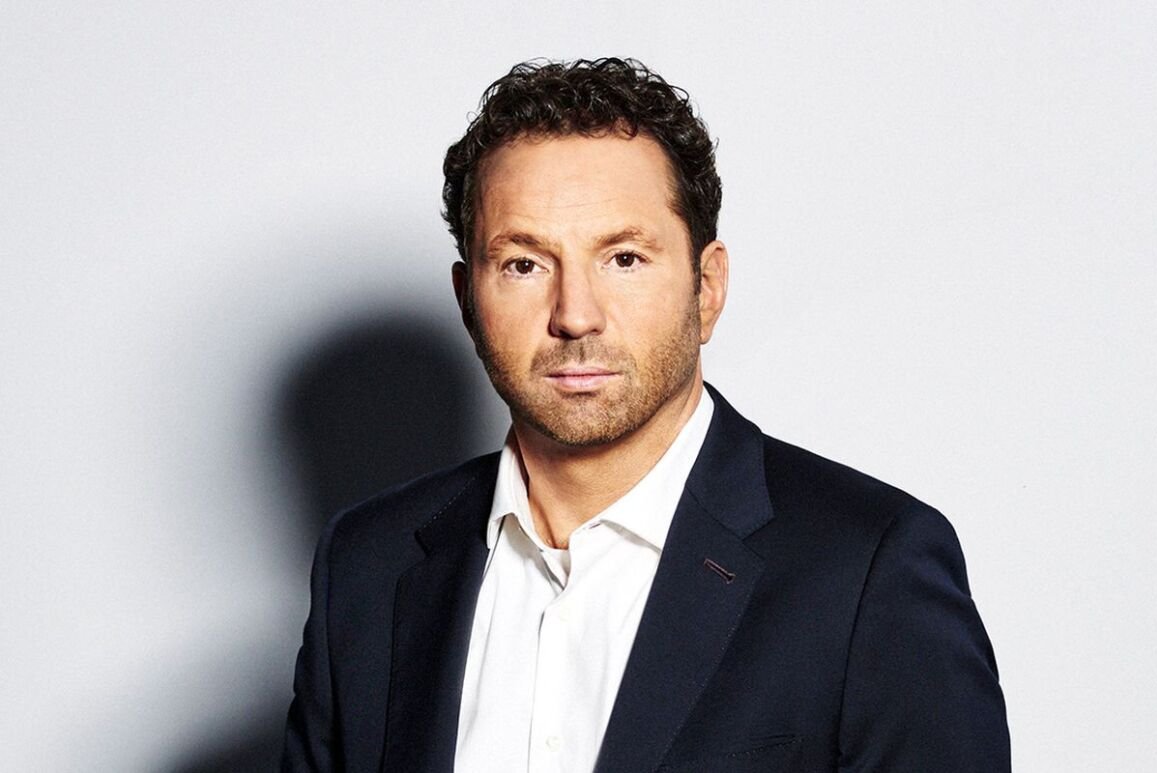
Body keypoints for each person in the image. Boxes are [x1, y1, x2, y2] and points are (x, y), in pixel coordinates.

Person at [282, 58, 1010, 772]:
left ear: (707, 287)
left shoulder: (868, 571)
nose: (575, 315)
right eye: (524, 264)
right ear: (468, 300)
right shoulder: (367, 566)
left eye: (624, 258)